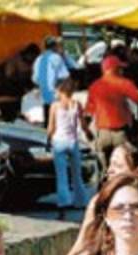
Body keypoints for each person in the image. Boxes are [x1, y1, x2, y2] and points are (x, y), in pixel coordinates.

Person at [85, 55, 138, 171]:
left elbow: (88, 113)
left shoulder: (94, 86)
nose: (122, 71)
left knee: (106, 171)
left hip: (102, 135)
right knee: (126, 169)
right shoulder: (125, 83)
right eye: (120, 68)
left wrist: (87, 132)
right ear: (115, 69)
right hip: (122, 134)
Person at [47, 78, 90, 216]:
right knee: (77, 175)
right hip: (73, 142)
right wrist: (89, 134)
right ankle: (81, 202)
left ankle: (63, 204)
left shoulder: (55, 106)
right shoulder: (77, 105)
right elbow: (83, 125)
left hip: (59, 142)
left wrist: (48, 140)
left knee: (62, 176)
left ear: (61, 91)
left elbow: (51, 127)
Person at [33, 36, 76, 127]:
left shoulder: (38, 59)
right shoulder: (56, 58)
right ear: (55, 46)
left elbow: (35, 79)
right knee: (58, 124)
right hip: (56, 96)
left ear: (44, 47)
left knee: (48, 122)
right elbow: (65, 77)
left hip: (44, 97)